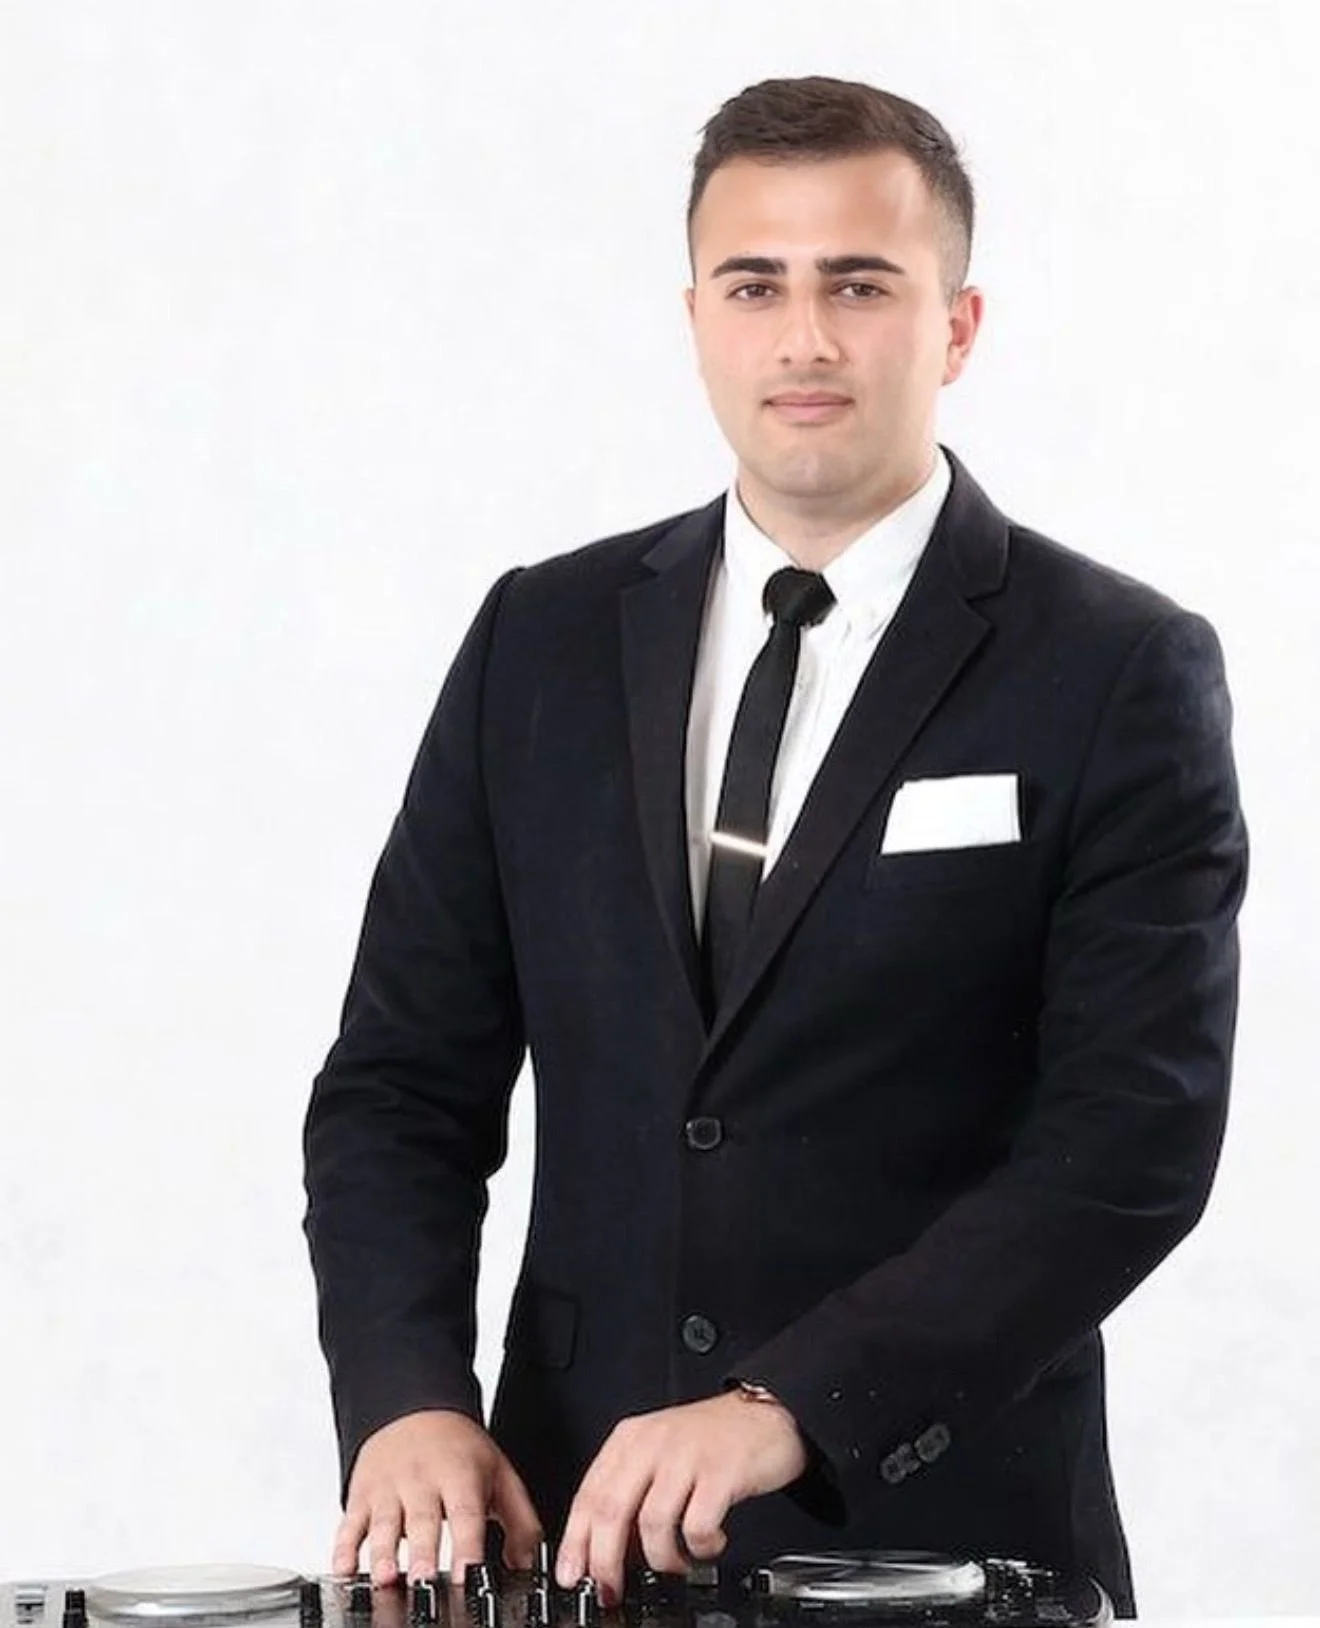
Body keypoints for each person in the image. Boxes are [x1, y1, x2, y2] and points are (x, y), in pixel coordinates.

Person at [301, 75, 1247, 1622]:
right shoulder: (535, 640)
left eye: (860, 284)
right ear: (696, 317)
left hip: (948, 1548)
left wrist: (789, 1403)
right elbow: (400, 1086)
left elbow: (1126, 1149)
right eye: (757, 284)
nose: (804, 337)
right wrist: (405, 1396)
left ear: (957, 326)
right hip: (568, 1547)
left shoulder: (1118, 668)